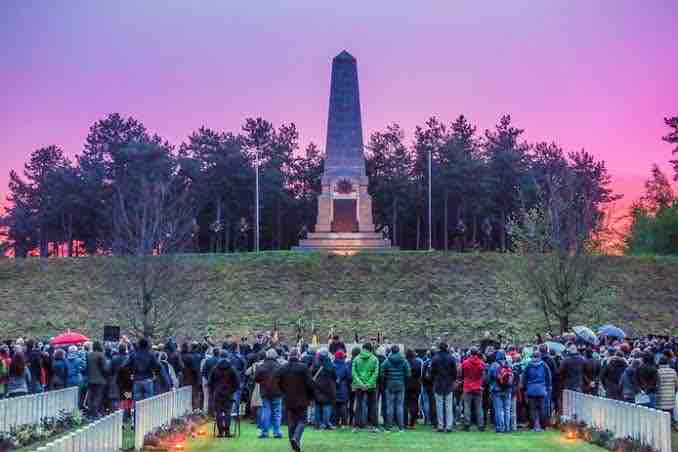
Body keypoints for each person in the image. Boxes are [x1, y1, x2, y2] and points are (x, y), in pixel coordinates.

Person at [275, 348, 316, 452]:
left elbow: (278, 382)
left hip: (288, 398)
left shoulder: (283, 368)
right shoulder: (303, 367)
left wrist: (283, 391)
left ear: (289, 356)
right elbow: (310, 384)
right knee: (302, 420)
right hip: (302, 398)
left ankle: (292, 441)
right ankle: (296, 438)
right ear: (298, 356)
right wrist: (311, 397)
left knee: (291, 421)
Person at [209, 352, 241, 438]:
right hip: (228, 393)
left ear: (220, 357)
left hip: (218, 393)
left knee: (219, 413)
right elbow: (237, 383)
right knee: (227, 412)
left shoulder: (215, 369)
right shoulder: (232, 369)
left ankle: (220, 432)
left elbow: (210, 382)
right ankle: (227, 431)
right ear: (227, 357)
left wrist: (213, 391)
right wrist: (232, 390)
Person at [380, 345, 411, 432]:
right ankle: (401, 427)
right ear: (398, 351)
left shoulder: (387, 360)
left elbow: (382, 371)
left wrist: (385, 378)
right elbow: (408, 373)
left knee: (390, 406)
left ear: (391, 351)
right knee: (399, 406)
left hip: (389, 385)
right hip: (400, 385)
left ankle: (389, 427)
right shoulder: (404, 361)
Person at [254, 349, 283, 439]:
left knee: (266, 412)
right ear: (275, 356)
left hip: (265, 392)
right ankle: (276, 432)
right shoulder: (279, 366)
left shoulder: (261, 366)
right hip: (277, 392)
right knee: (277, 412)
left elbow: (256, 379)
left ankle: (265, 432)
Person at [351, 343, 380, 432]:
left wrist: (360, 384)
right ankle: (374, 426)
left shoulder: (356, 358)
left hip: (359, 385)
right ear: (371, 349)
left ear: (363, 348)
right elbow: (376, 373)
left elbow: (353, 373)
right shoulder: (374, 359)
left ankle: (356, 426)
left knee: (358, 405)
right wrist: (368, 384)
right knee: (373, 406)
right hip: (371, 386)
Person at [522, 350, 551, 432]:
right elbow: (548, 377)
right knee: (542, 409)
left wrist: (524, 388)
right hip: (542, 389)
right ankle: (542, 426)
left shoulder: (528, 366)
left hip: (531, 389)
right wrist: (548, 387)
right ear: (540, 356)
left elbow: (524, 378)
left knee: (532, 409)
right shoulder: (544, 365)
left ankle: (534, 426)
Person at [431, 342, 457, 433]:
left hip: (438, 383)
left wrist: (434, 379)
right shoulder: (451, 358)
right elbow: (455, 372)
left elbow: (432, 372)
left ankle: (440, 425)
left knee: (439, 406)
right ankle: (449, 425)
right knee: (448, 406)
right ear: (447, 348)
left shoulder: (435, 358)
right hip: (449, 383)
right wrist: (453, 380)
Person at [125, 338, 161, 402]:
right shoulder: (151, 354)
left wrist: (131, 374)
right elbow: (158, 366)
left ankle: (138, 412)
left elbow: (126, 365)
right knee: (148, 401)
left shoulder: (134, 354)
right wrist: (155, 374)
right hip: (148, 379)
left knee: (137, 402)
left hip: (137, 379)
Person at [461, 347, 486, 432]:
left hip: (467, 386)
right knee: (479, 407)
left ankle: (467, 424)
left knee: (467, 406)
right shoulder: (481, 363)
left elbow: (462, 373)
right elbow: (483, 374)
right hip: (478, 386)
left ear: (470, 353)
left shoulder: (465, 363)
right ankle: (481, 424)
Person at [488, 350, 513, 433]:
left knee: (499, 409)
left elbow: (489, 378)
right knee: (507, 409)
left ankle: (500, 427)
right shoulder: (508, 364)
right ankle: (507, 427)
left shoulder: (494, 365)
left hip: (497, 390)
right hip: (507, 389)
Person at [313, 351, 337, 430]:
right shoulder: (331, 365)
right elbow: (335, 376)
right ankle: (325, 423)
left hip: (317, 388)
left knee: (317, 406)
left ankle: (317, 424)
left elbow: (311, 374)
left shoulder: (315, 365)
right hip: (328, 388)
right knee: (327, 406)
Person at [86, 341, 109, 418]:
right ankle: (95, 412)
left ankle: (90, 412)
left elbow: (87, 367)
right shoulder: (101, 355)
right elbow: (105, 369)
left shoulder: (89, 355)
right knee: (98, 396)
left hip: (90, 379)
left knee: (91, 396)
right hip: (100, 380)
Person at [404, 349, 422, 429]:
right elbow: (419, 374)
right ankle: (412, 422)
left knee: (405, 404)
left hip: (406, 384)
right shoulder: (418, 362)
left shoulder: (404, 362)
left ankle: (405, 422)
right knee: (414, 403)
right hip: (416, 384)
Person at [333, 350, 351, 428]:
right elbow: (349, 377)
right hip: (343, 388)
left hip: (334, 388)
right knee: (343, 405)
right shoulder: (345, 366)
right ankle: (344, 423)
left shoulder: (332, 365)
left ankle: (335, 422)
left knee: (335, 406)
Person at [108, 343, 129, 410]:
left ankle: (115, 412)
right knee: (127, 396)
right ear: (125, 349)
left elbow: (110, 370)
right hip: (126, 380)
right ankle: (126, 413)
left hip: (115, 379)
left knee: (115, 397)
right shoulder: (128, 358)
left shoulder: (114, 358)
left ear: (118, 349)